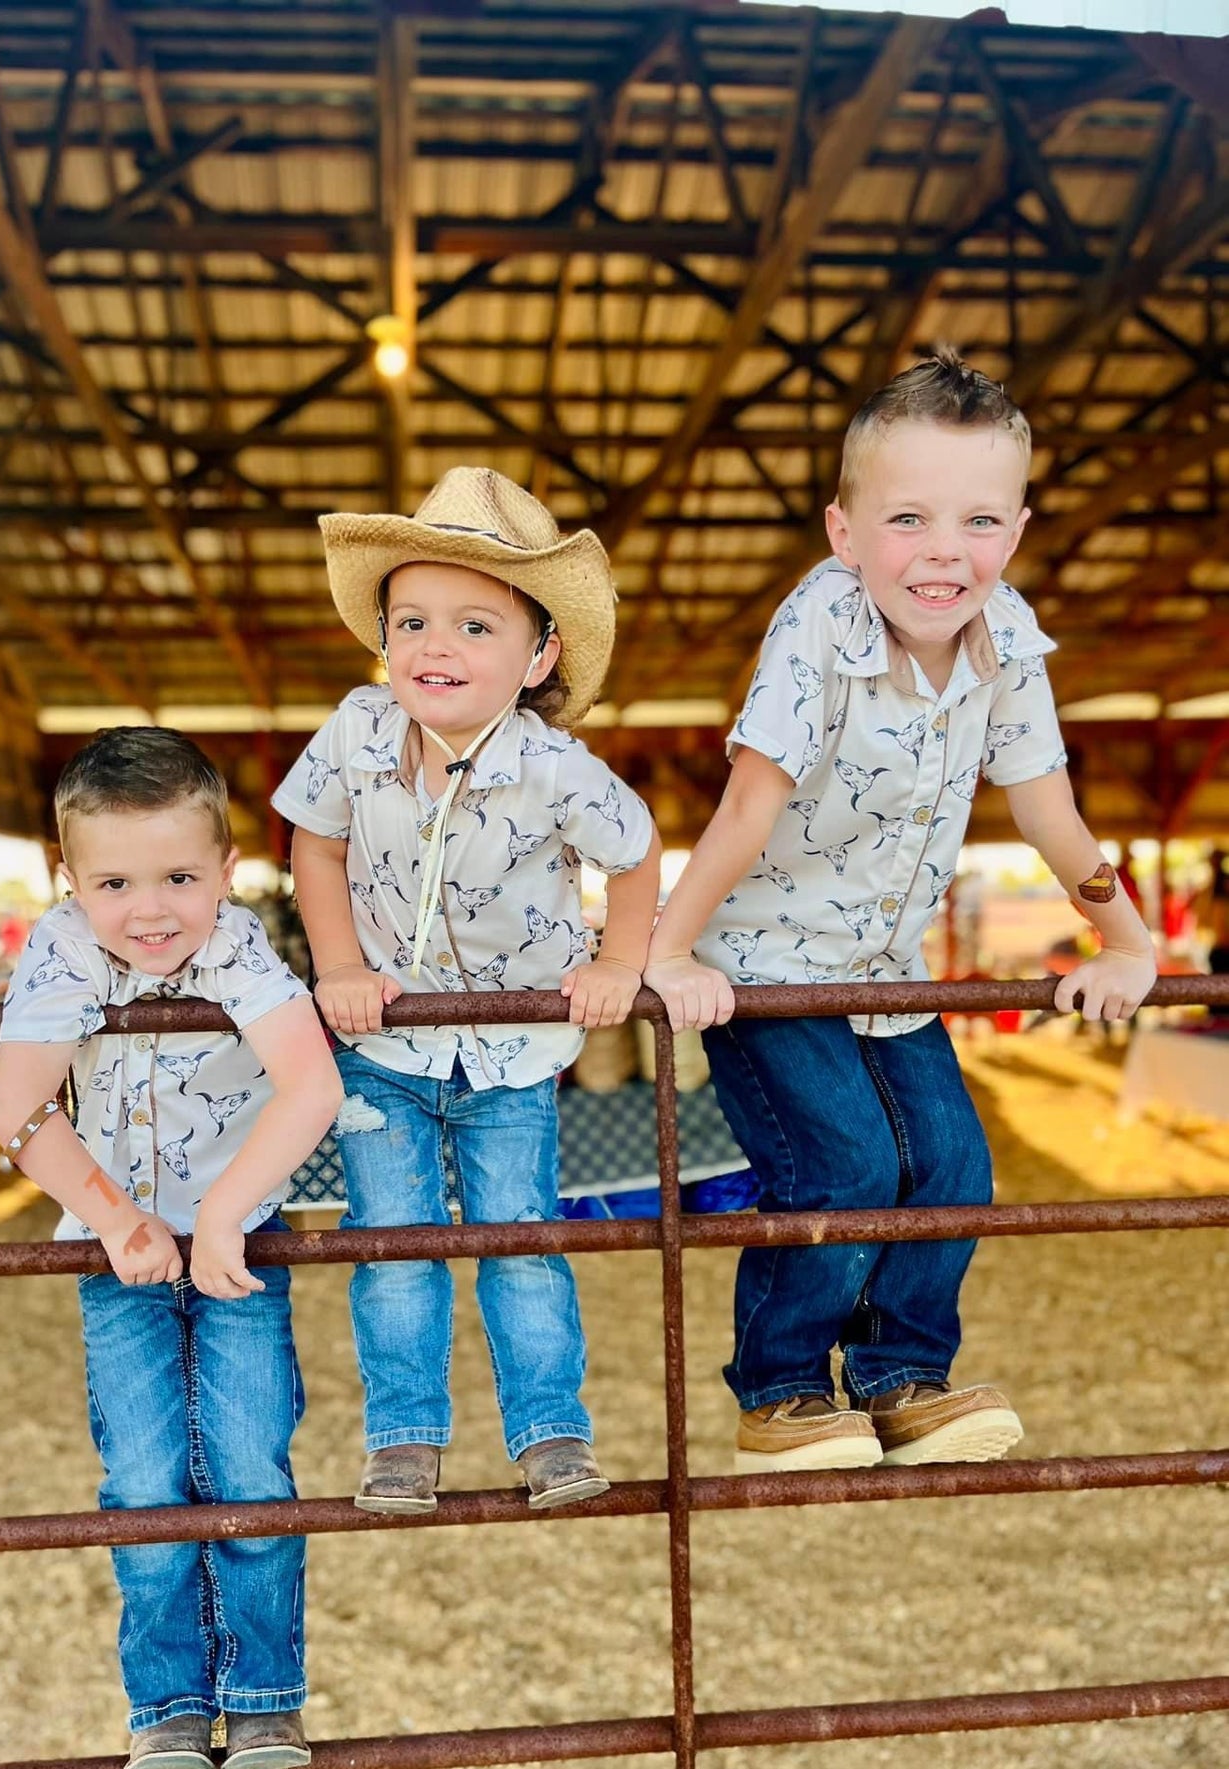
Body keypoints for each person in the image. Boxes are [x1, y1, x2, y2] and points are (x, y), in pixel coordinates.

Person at [643, 350, 1157, 1475]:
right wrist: (667, 948)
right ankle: (778, 1390)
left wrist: (1123, 937)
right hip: (766, 962)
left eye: (977, 520)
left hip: (884, 964)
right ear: (843, 532)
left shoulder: (1008, 636)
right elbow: (746, 802)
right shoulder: (816, 629)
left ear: (1014, 531)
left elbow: (1047, 810)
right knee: (846, 1167)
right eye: (907, 517)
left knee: (954, 1170)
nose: (943, 551)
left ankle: (901, 1378)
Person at [274, 468, 661, 1515]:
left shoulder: (556, 766)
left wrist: (617, 964)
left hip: (510, 1052)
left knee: (519, 1239)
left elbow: (633, 852)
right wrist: (339, 967)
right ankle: (401, 1440)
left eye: (475, 624)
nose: (434, 645)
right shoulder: (354, 733)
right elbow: (312, 847)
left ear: (539, 655)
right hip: (383, 1049)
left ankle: (549, 1432)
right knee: (393, 1249)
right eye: (411, 620)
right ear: (382, 640)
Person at [0, 728, 341, 1769]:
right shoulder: (59, 945)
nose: (152, 909)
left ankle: (266, 1700)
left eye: (180, 876)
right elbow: (14, 1103)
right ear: (69, 879)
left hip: (238, 1245)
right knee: (141, 1481)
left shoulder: (234, 942)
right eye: (115, 881)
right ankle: (169, 1708)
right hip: (113, 1258)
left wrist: (226, 1211)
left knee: (248, 1464)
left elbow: (309, 1083)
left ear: (225, 872)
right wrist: (110, 1216)